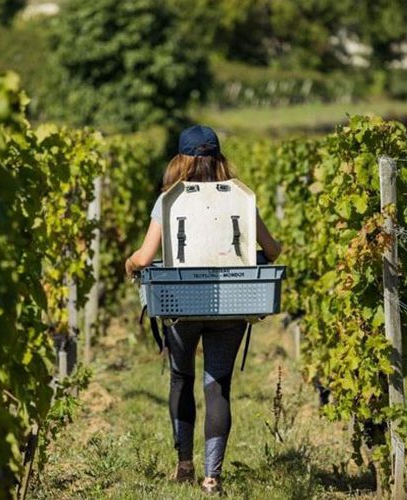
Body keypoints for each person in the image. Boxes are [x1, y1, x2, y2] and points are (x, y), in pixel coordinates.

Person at [124, 125, 281, 495]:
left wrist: (130, 264)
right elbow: (272, 251)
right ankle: (212, 477)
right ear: (219, 158)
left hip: (181, 304)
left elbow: (145, 256)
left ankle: (184, 465)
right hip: (232, 303)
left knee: (181, 378)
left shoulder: (169, 200)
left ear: (181, 160)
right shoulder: (241, 198)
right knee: (218, 386)